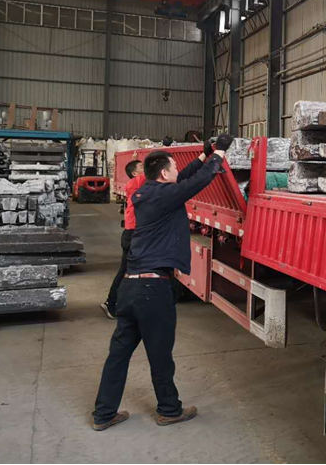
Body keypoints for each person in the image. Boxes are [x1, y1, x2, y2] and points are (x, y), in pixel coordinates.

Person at [92, 135, 232, 431]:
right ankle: (169, 410)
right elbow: (197, 182)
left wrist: (204, 154)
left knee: (118, 354)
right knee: (160, 355)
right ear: (164, 174)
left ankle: (103, 414)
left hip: (130, 287)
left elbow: (185, 177)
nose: (177, 172)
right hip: (152, 291)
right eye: (174, 168)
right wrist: (219, 153)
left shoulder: (148, 191)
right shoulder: (164, 196)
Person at [100, 157, 145, 319]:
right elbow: (155, 174)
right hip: (132, 235)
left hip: (135, 234)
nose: (145, 168)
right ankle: (111, 304)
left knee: (133, 270)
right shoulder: (134, 183)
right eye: (141, 167)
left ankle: (122, 303)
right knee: (125, 270)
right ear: (134, 173)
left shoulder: (140, 184)